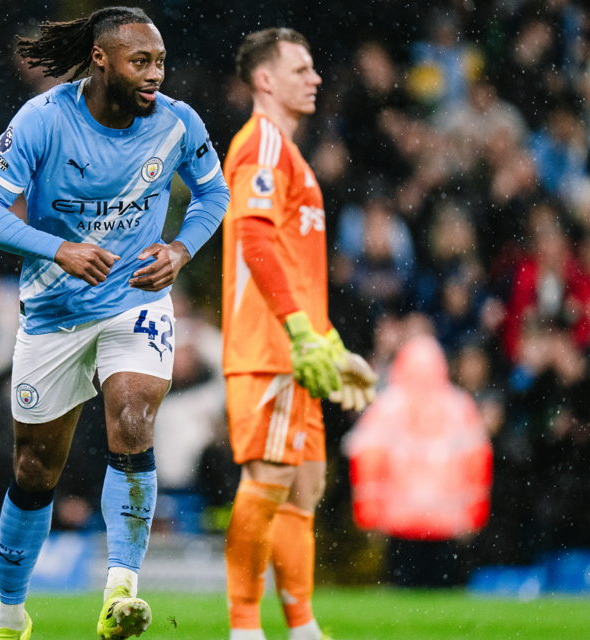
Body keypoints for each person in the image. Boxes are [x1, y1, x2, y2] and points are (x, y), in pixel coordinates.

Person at [0, 7, 230, 639]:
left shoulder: (177, 123)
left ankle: (119, 596)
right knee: (34, 472)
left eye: (160, 61)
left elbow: (214, 194)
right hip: (53, 312)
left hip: (135, 301)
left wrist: (180, 250)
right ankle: (11, 616)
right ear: (102, 60)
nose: (155, 74)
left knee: (133, 419)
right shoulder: (45, 120)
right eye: (141, 61)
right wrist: (57, 249)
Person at [219, 29, 377, 640]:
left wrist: (330, 346)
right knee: (268, 479)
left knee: (305, 485)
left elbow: (297, 267)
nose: (315, 78)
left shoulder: (291, 155)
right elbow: (254, 240)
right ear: (265, 80)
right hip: (267, 348)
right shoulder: (260, 143)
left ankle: (303, 626)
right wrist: (297, 334)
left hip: (298, 349)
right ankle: (243, 628)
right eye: (301, 68)